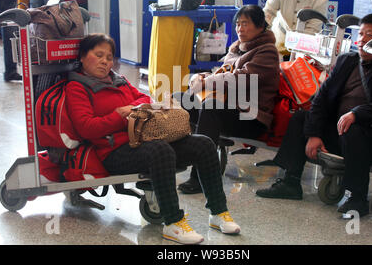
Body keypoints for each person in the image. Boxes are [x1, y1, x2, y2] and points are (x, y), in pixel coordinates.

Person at [64, 33, 241, 245]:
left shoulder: (118, 79)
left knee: (203, 143)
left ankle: (218, 212)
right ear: (83, 57)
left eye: (109, 57)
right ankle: (173, 222)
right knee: (160, 150)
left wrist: (132, 110)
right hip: (113, 151)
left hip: (142, 139)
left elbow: (144, 98)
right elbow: (87, 128)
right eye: (98, 55)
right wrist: (121, 115)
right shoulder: (76, 87)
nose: (105, 61)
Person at [256, 13, 372, 218]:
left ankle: (356, 197)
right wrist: (314, 134)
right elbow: (320, 99)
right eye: (362, 34)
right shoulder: (347, 61)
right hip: (338, 133)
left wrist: (357, 114)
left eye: (370, 35)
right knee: (300, 117)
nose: (363, 40)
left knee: (354, 129)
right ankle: (290, 182)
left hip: (370, 139)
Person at [178, 4, 280, 194]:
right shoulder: (236, 49)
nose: (240, 28)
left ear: (260, 26)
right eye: (238, 24)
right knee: (180, 100)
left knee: (211, 107)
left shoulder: (267, 52)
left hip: (251, 117)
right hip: (229, 107)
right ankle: (177, 159)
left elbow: (242, 79)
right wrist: (199, 77)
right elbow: (219, 72)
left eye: (246, 23)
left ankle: (201, 177)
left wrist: (208, 81)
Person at [263, 0, 328, 61]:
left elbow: (312, 30)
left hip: (303, 45)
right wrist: (263, 32)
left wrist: (296, 47)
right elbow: (269, 11)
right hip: (278, 39)